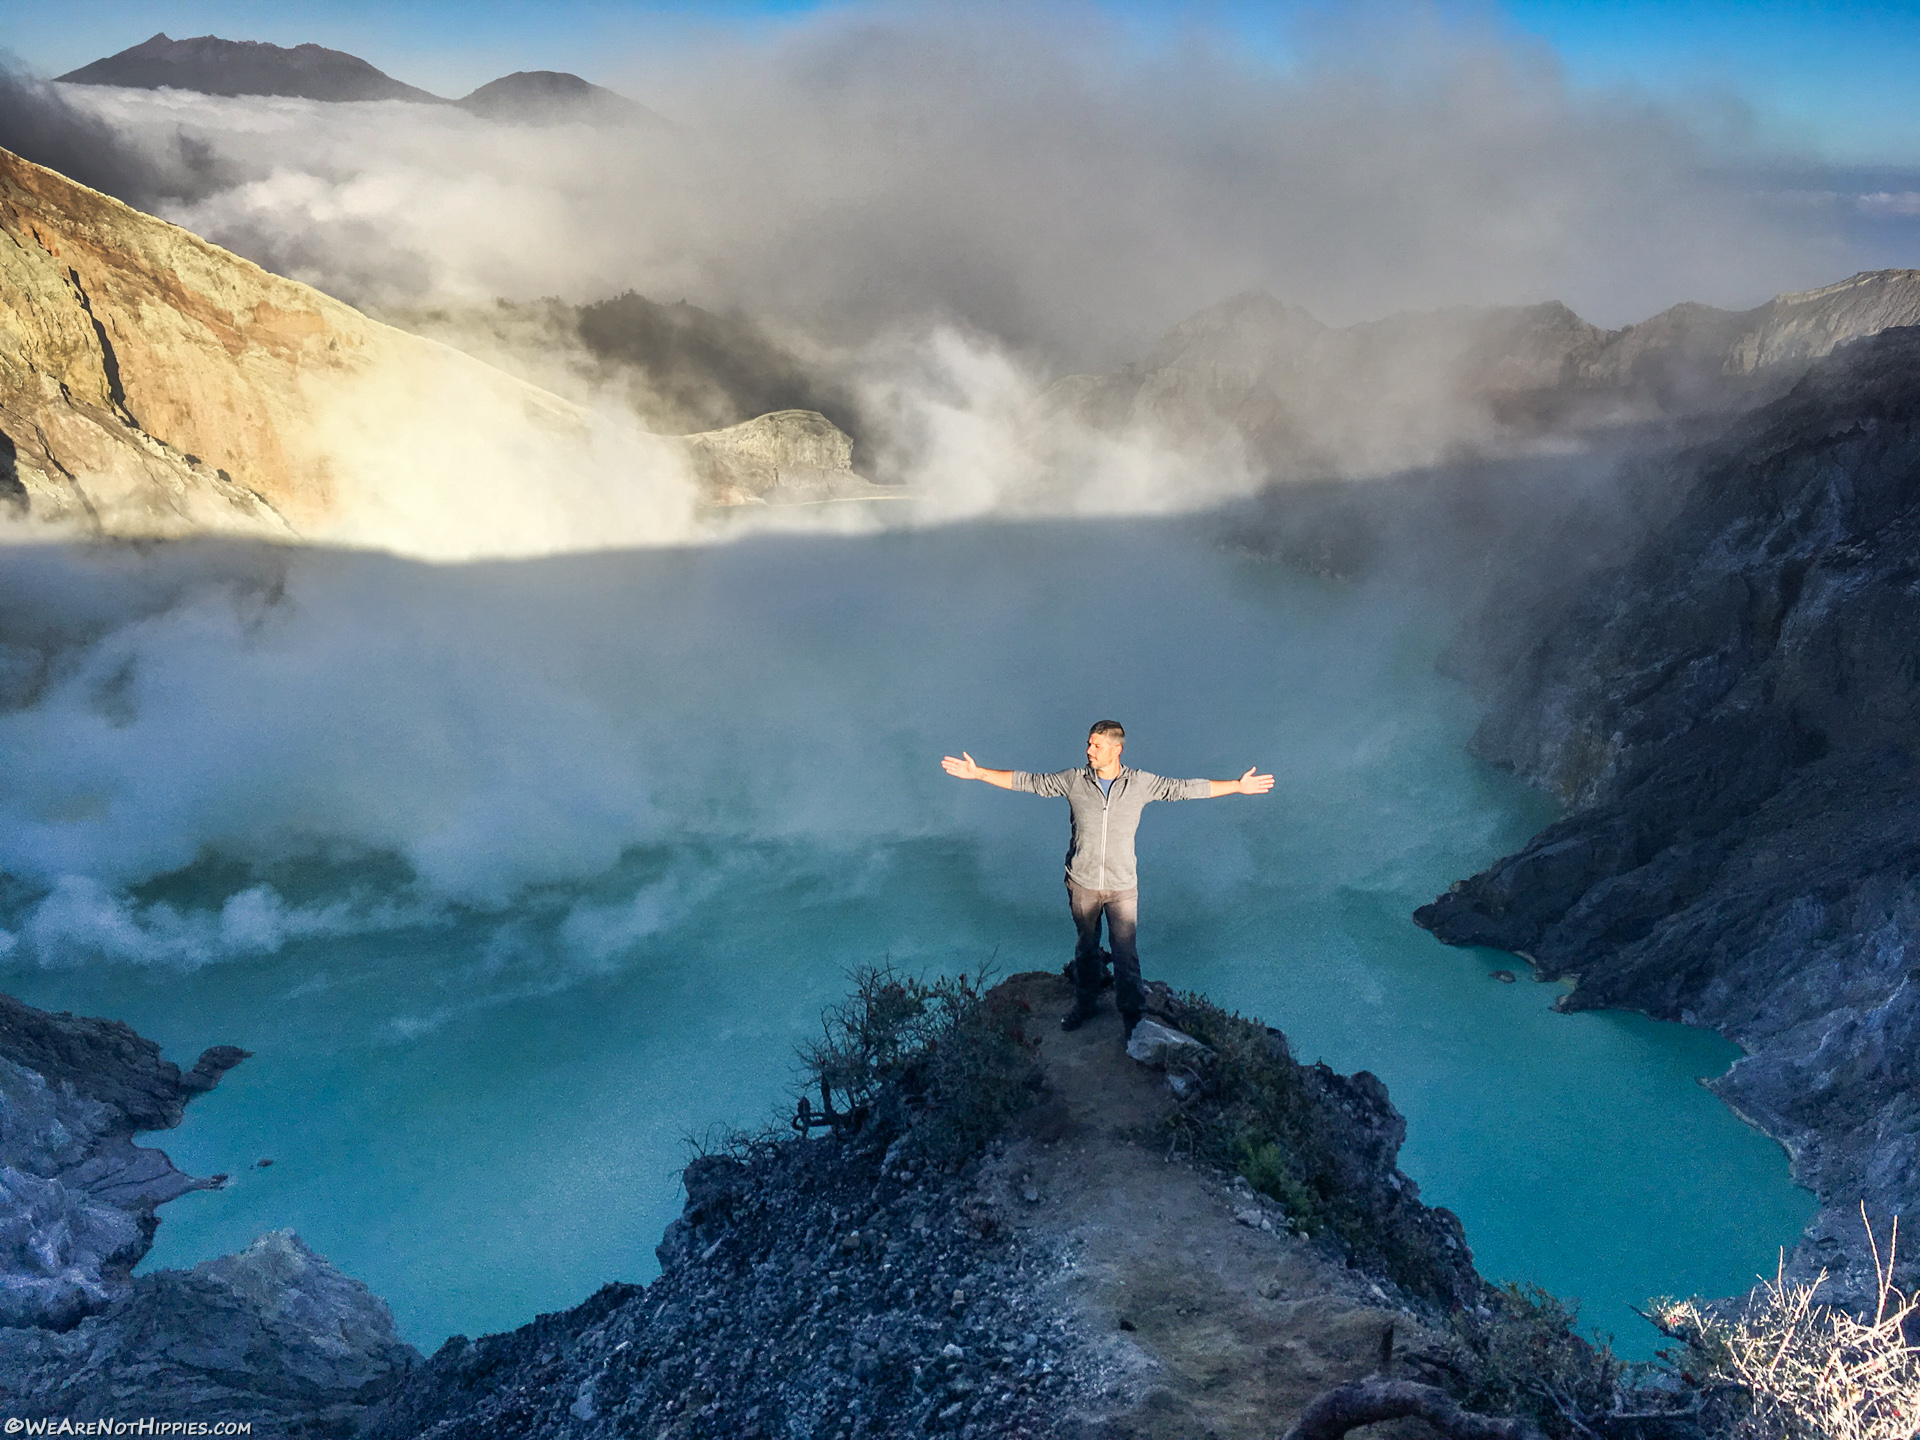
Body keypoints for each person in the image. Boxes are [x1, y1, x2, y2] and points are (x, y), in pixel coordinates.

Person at [941, 721, 1274, 1038]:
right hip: (1082, 882)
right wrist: (979, 773)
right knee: (1086, 948)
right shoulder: (1074, 779)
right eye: (1088, 743)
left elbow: (1185, 789)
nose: (1089, 750)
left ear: (1116, 749)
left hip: (1122, 886)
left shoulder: (1140, 783)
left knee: (1125, 952)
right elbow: (1029, 781)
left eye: (1096, 745)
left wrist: (1238, 787)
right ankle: (1086, 1005)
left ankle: (1133, 1017)